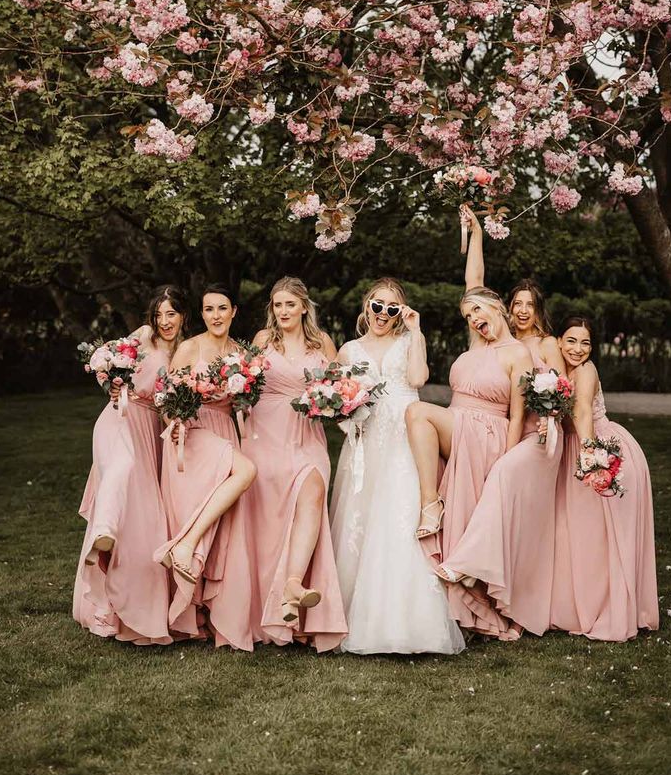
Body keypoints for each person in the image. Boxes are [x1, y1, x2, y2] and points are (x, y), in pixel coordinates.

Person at [330, 278, 464, 655]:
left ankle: (410, 624)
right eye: (377, 305)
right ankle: (354, 618)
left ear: (400, 313)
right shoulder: (348, 349)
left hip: (405, 439)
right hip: (367, 441)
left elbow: (419, 379)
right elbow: (336, 397)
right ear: (367, 304)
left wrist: (417, 331)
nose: (382, 314)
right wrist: (346, 416)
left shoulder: (409, 342)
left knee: (399, 523)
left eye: (391, 308)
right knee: (361, 521)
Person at [405, 285, 532, 636]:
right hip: (458, 424)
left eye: (478, 310)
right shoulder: (477, 344)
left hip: (487, 433)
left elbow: (518, 416)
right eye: (468, 315)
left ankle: (430, 503)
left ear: (497, 306)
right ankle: (431, 500)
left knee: (417, 411)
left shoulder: (517, 353)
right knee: (418, 419)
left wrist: (505, 463)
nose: (474, 319)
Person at [73, 285, 187, 644]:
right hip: (118, 418)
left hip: (149, 430)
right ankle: (103, 533)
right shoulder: (141, 338)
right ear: (150, 318)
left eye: (171, 314)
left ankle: (118, 605)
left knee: (140, 519)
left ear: (183, 316)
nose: (164, 322)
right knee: (119, 470)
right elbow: (107, 361)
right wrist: (110, 381)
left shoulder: (185, 351)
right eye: (159, 315)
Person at [242, 277, 347, 651]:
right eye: (277, 305)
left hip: (307, 436)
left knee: (313, 493)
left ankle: (292, 585)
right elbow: (243, 389)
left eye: (290, 304)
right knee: (267, 518)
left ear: (304, 306)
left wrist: (333, 401)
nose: (283, 311)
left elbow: (342, 393)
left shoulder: (323, 345)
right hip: (264, 435)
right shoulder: (261, 341)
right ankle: (280, 600)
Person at [154, 284, 256, 648]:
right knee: (245, 473)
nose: (215, 315)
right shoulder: (189, 347)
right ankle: (185, 546)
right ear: (203, 314)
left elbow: (245, 404)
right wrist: (174, 423)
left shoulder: (242, 353)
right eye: (209, 309)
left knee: (227, 524)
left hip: (225, 430)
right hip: (192, 434)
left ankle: (213, 616)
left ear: (234, 312)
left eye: (222, 308)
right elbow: (166, 397)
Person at [551, 316, 659, 640]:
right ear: (559, 342)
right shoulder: (560, 372)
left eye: (585, 343)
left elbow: (582, 412)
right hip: (579, 448)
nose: (578, 349)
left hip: (600, 448)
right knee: (585, 534)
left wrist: (591, 458)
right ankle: (585, 606)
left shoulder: (585, 371)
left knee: (604, 535)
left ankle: (613, 611)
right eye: (571, 340)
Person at [461, 204, 564, 374]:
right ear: (509, 307)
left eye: (530, 305)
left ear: (538, 309)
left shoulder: (546, 344)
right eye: (518, 303)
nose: (523, 311)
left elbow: (562, 389)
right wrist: (477, 232)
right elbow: (474, 280)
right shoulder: (496, 334)